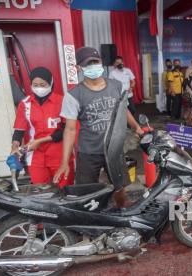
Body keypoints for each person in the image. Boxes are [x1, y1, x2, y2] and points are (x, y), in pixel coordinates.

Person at [53, 47, 143, 208]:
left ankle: (122, 213)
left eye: (96, 62)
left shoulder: (116, 86)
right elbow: (70, 129)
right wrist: (64, 162)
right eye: (89, 64)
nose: (94, 66)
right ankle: (90, 223)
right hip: (88, 152)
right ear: (79, 68)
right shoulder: (73, 95)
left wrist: (137, 127)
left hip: (114, 148)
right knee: (86, 192)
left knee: (120, 185)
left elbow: (124, 110)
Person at [11, 67, 74, 188]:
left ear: (51, 83)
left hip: (60, 155)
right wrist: (14, 147)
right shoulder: (25, 104)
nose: (39, 87)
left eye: (43, 84)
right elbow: (19, 130)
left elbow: (66, 130)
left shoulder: (63, 101)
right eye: (35, 84)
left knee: (64, 190)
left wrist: (40, 141)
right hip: (35, 157)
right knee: (40, 192)